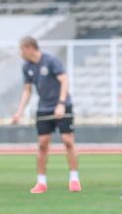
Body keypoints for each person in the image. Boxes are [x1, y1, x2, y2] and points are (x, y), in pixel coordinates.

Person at [12, 36, 81, 194]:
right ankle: (41, 182)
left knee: (67, 141)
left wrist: (61, 104)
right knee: (43, 144)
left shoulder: (51, 60)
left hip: (62, 105)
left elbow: (64, 80)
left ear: (29, 47)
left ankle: (74, 179)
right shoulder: (27, 67)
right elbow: (27, 90)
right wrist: (19, 112)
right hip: (44, 107)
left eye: (21, 49)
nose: (20, 53)